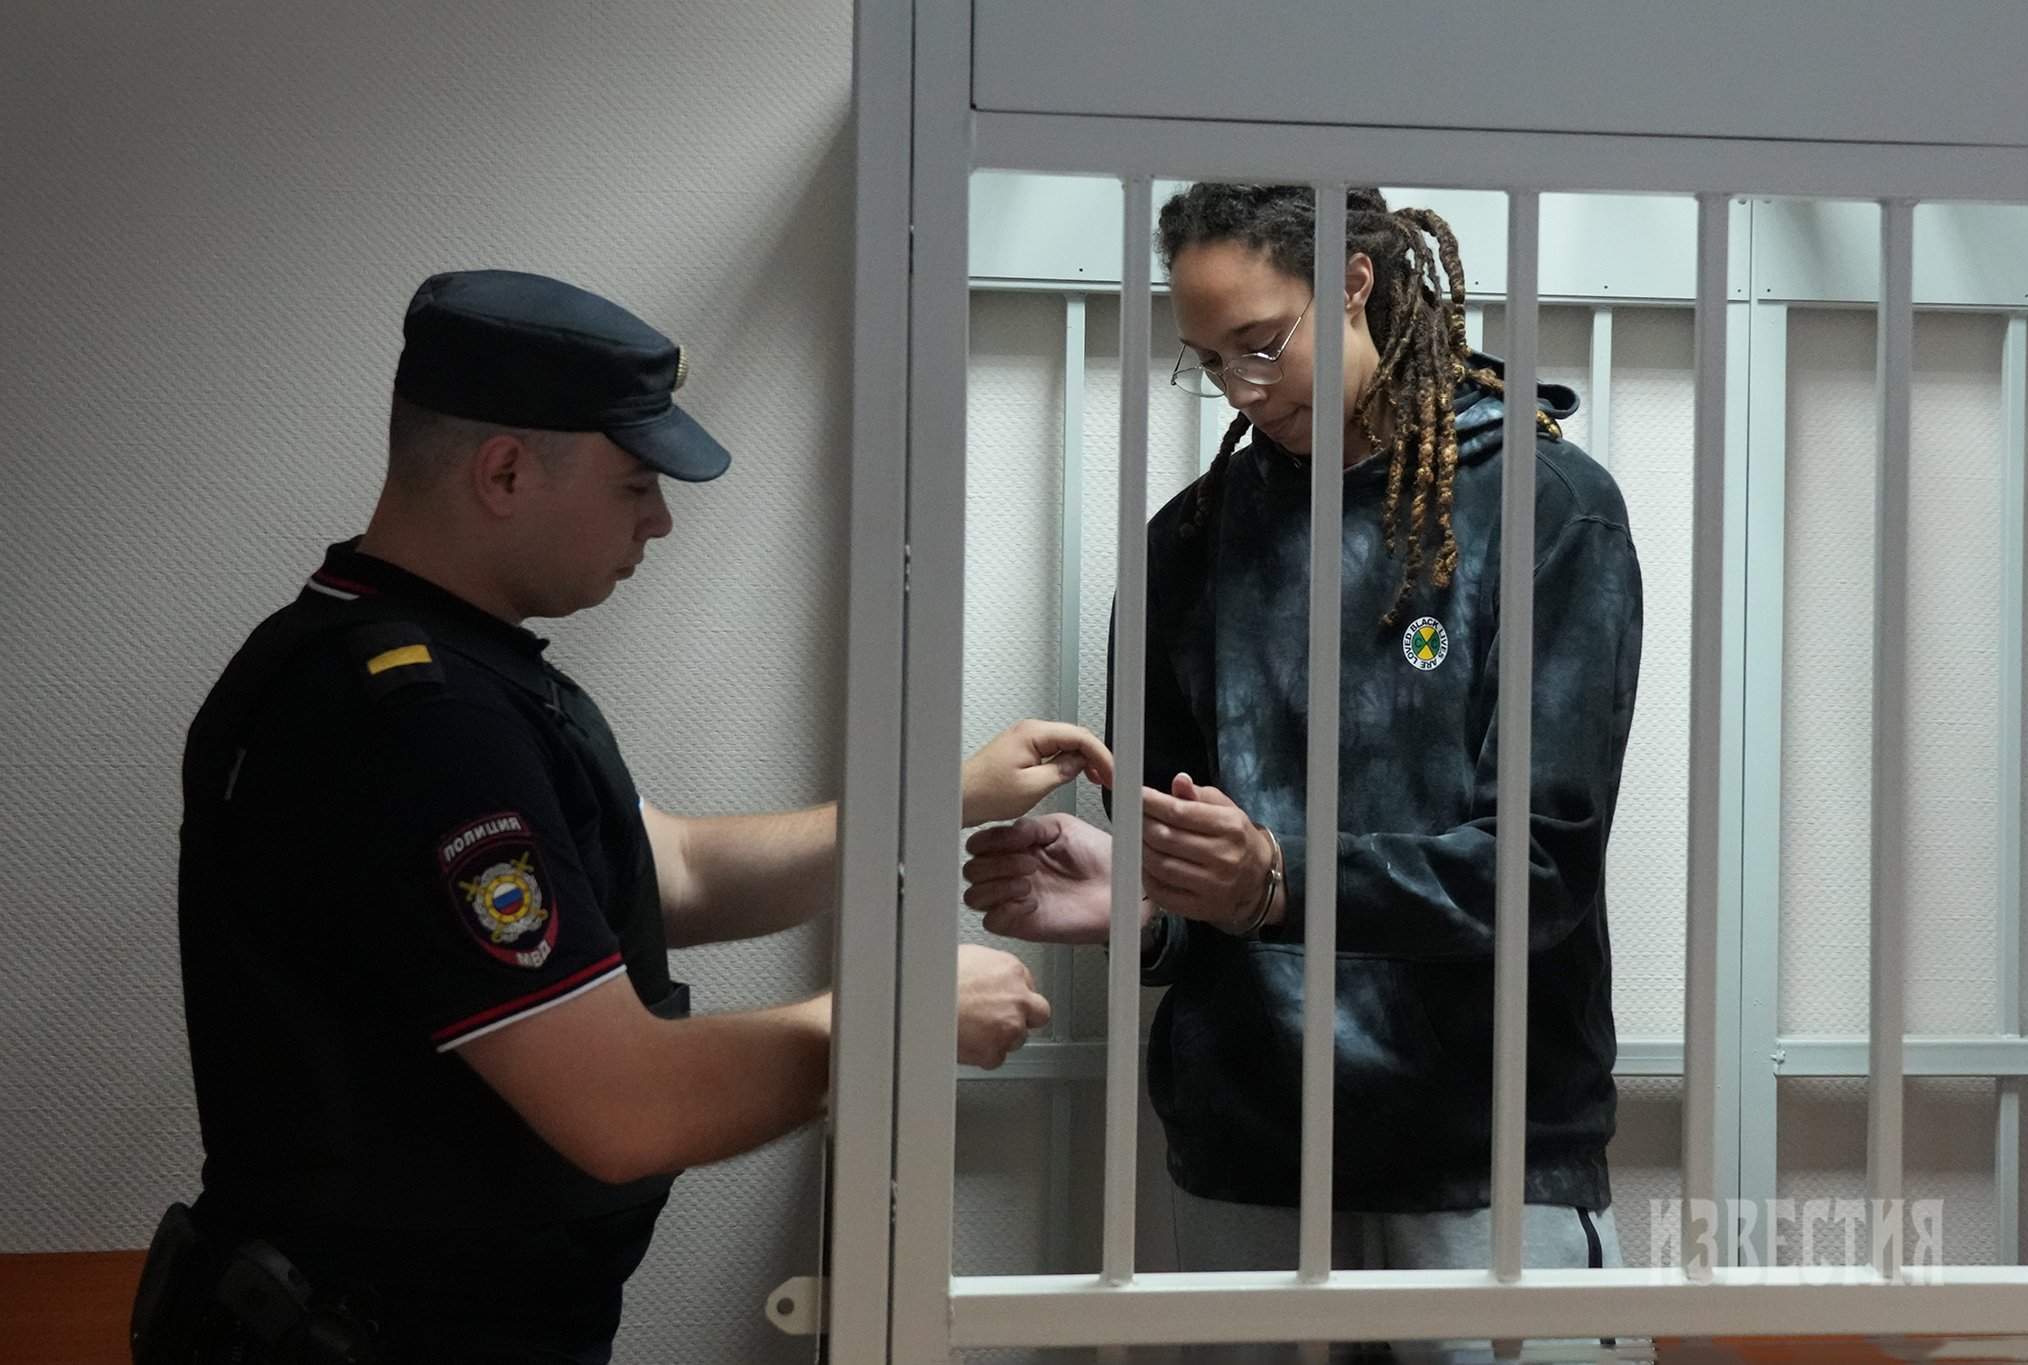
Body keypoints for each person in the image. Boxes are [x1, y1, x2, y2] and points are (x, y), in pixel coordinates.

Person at [144, 270, 1107, 1363]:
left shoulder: (422, 664)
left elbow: (671, 869)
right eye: (635, 483)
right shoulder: (418, 721)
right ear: (505, 472)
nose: (659, 519)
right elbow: (625, 1108)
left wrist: (937, 803)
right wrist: (898, 1019)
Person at [963, 185, 1644, 1361]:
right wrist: (1140, 911)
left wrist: (1274, 881)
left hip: (1487, 1149)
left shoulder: (1545, 509)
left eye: (1260, 344)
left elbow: (1541, 867)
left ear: (1352, 284)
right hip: (1247, 1151)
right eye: (1206, 360)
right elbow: (1196, 891)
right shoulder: (1185, 547)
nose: (1238, 387)